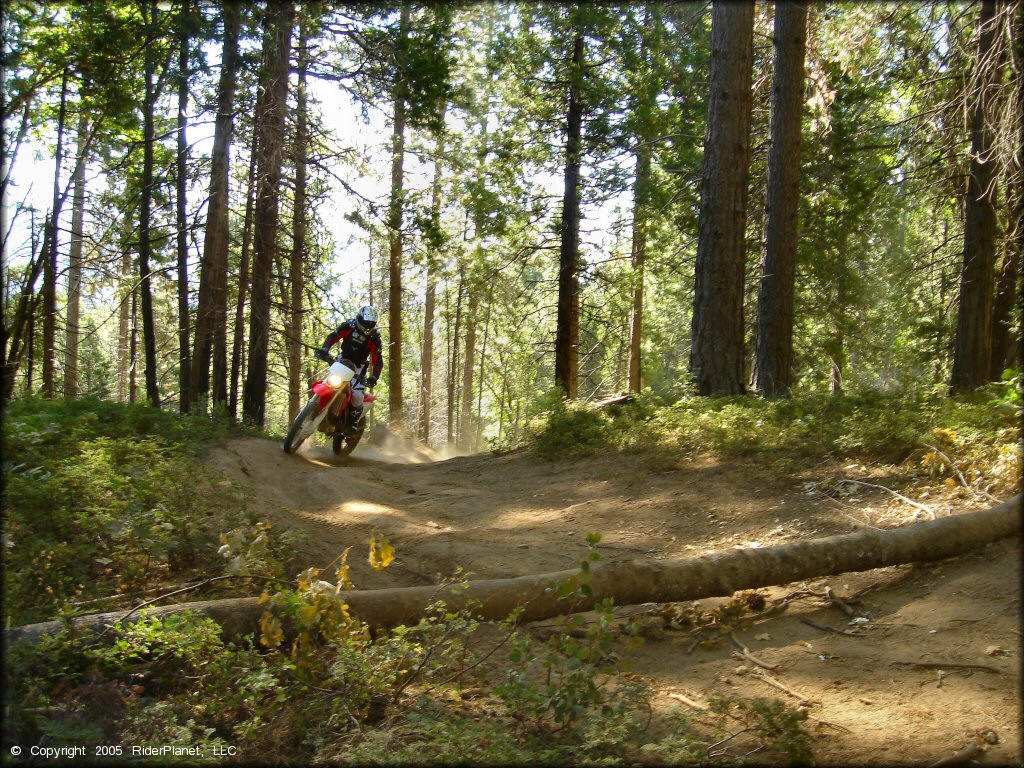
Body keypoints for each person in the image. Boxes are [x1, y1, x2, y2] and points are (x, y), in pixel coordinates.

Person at [315, 305, 382, 429]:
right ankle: (316, 407)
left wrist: (374, 377)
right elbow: (333, 336)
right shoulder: (348, 326)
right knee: (328, 382)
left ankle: (352, 424)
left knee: (357, 396)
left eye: (370, 324)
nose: (367, 326)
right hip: (342, 361)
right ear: (359, 318)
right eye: (365, 322)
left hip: (359, 368)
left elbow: (377, 360)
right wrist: (325, 349)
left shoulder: (374, 338)